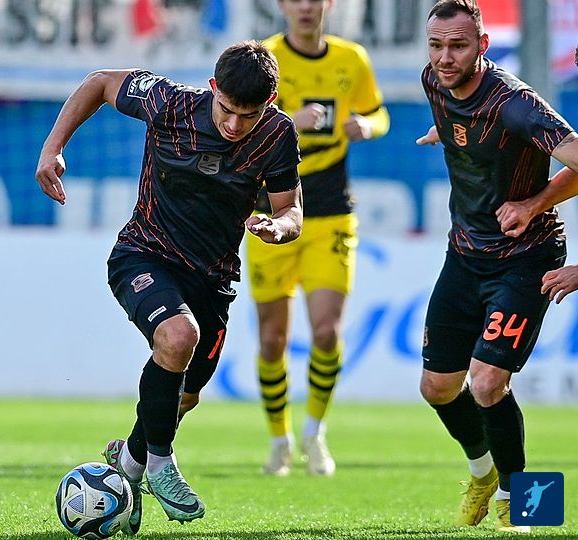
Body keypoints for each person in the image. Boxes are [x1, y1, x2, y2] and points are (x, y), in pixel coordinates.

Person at [36, 41, 303, 533]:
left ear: (269, 104)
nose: (234, 125)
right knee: (179, 336)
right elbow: (99, 82)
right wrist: (53, 149)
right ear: (213, 87)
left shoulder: (278, 133)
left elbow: (291, 210)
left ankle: (129, 464)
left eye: (248, 116)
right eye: (227, 109)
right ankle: (161, 462)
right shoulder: (170, 102)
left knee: (183, 397)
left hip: (213, 281)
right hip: (144, 255)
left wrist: (277, 227)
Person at [416, 0, 578, 533]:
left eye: (458, 46)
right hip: (465, 255)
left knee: (487, 383)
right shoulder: (434, 81)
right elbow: (467, 126)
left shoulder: (516, 105)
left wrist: (534, 203)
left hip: (525, 258)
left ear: (483, 46)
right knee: (437, 388)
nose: (445, 57)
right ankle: (483, 473)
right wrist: (449, 132)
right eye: (436, 45)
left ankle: (526, 504)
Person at [246, 0, 389, 477]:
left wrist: (368, 125)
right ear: (283, 5)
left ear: (329, 4)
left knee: (327, 332)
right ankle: (278, 440)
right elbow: (239, 126)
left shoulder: (352, 59)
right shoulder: (264, 57)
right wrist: (290, 119)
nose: (306, 6)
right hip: (271, 214)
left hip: (330, 213)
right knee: (272, 339)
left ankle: (314, 432)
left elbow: (379, 113)